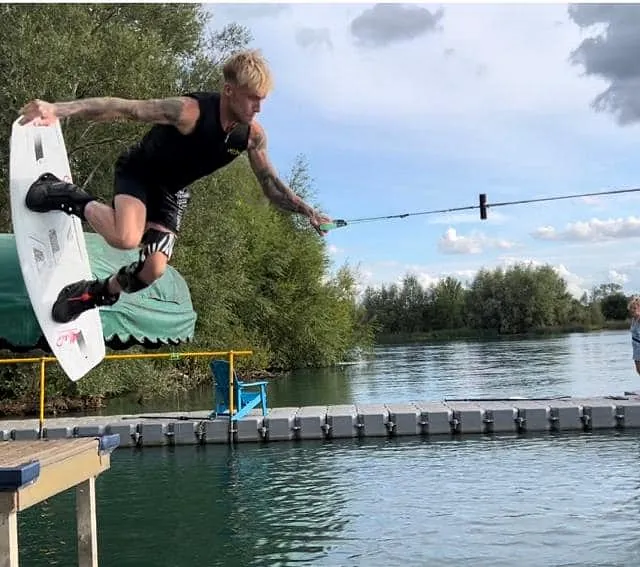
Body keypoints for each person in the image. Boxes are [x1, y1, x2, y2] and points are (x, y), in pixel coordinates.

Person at [17, 49, 332, 324]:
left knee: (153, 270)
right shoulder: (189, 111)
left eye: (262, 100)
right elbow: (125, 108)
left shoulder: (252, 137)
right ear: (229, 90)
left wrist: (307, 211)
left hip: (172, 194)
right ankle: (65, 193)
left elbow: (270, 186)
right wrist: (59, 109)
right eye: (253, 98)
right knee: (125, 238)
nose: (258, 108)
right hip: (140, 172)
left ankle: (95, 293)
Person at [629, 296, 640, 376]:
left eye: (634, 308)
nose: (632, 310)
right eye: (631, 308)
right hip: (636, 348)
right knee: (638, 370)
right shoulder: (633, 319)